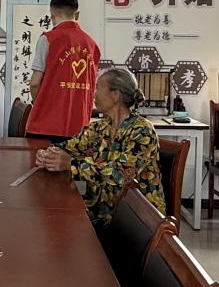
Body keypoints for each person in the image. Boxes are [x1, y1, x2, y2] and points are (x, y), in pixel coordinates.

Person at [34, 67, 164, 226]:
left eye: (98, 88)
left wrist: (71, 164)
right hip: (101, 211)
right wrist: (49, 155)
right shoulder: (98, 128)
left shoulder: (142, 131)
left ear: (115, 95)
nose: (93, 94)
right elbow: (68, 147)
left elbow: (122, 174)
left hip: (136, 220)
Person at [26, 0, 100, 144]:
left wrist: (39, 104)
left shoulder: (48, 39)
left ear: (52, 14)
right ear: (77, 15)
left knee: (39, 160)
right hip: (79, 127)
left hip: (45, 126)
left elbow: (34, 83)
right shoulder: (92, 45)